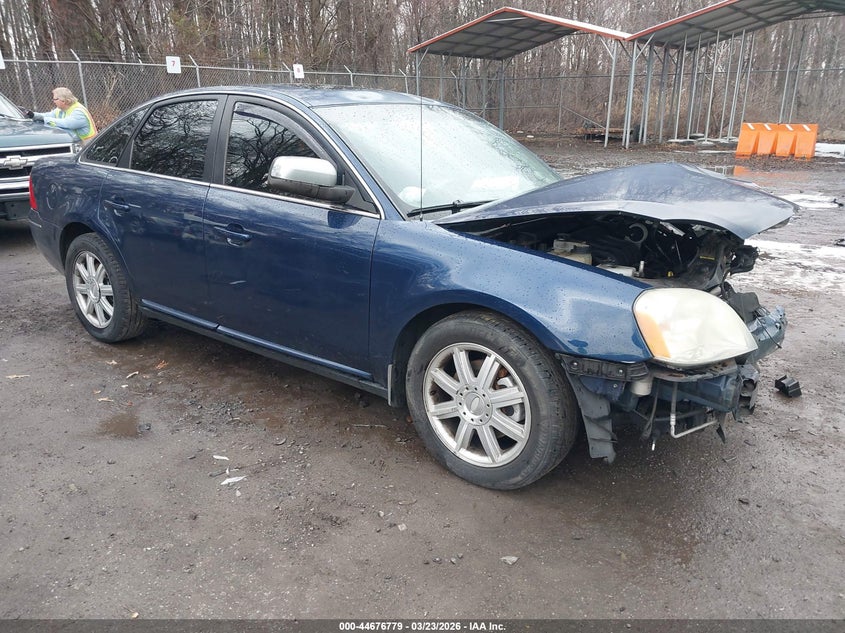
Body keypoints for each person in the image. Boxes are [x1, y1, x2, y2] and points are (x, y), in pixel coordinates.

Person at [25, 87, 97, 145]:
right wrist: (33, 115)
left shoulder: (78, 112)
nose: (53, 101)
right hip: (77, 145)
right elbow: (48, 115)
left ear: (64, 101)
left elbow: (66, 123)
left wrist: (46, 120)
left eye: (55, 99)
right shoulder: (60, 109)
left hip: (88, 147)